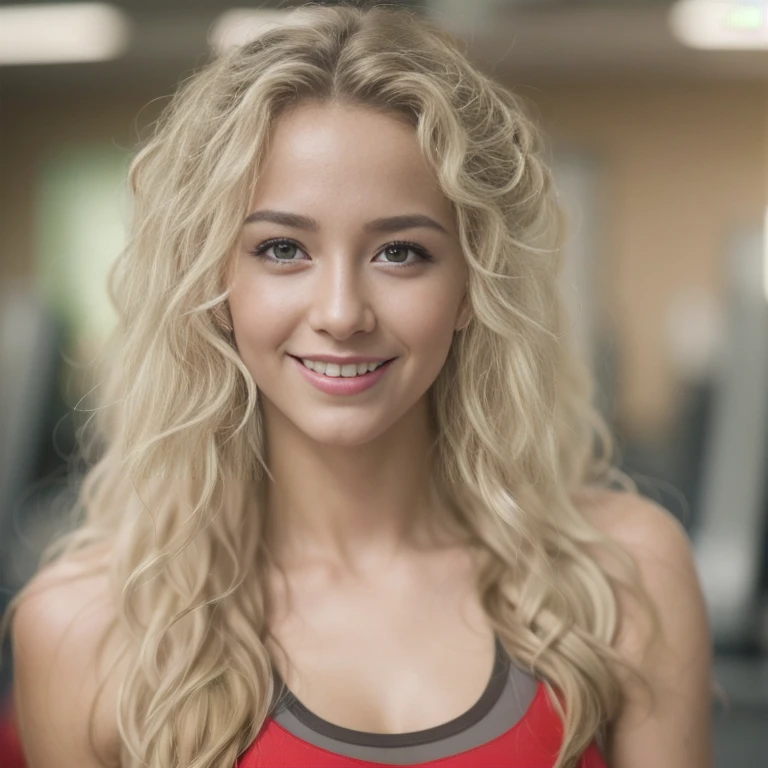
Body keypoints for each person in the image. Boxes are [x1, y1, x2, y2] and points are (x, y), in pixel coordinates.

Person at [1, 3, 713, 767]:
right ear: (212, 280)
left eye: (401, 253)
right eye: (282, 248)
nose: (341, 313)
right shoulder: (84, 627)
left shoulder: (624, 574)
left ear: (474, 285)